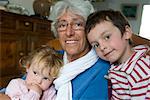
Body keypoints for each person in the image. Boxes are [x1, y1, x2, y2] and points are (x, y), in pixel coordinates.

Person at [49, 0, 111, 100]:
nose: (69, 33)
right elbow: (20, 86)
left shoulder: (103, 70)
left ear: (90, 30)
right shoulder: (51, 58)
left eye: (77, 24)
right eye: (62, 25)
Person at [85, 9, 150, 99]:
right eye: (96, 45)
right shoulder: (117, 65)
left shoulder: (141, 72)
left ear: (126, 33)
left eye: (107, 37)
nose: (102, 47)